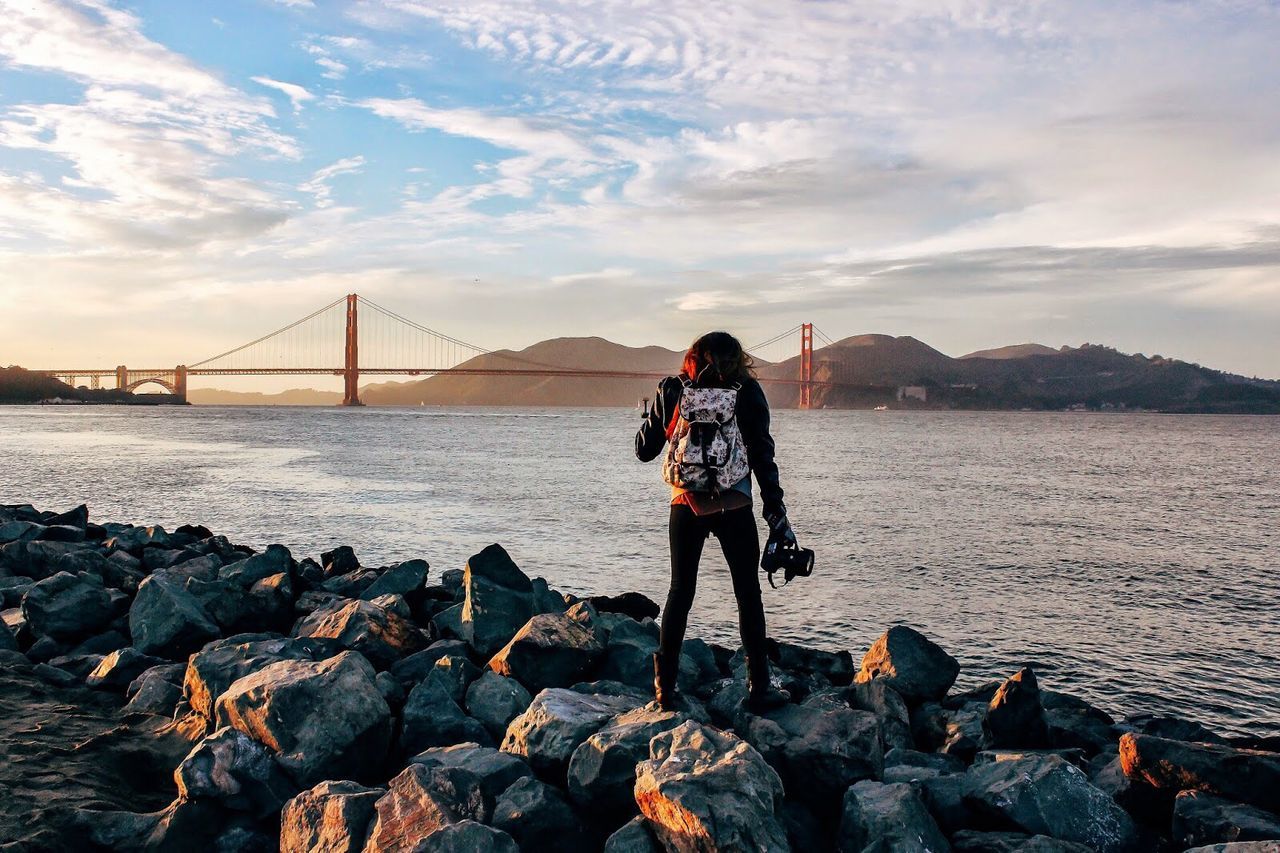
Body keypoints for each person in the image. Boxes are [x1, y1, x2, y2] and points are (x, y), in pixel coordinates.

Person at [634, 330, 794, 713]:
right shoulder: (748, 391)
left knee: (680, 592)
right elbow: (762, 457)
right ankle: (758, 689)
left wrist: (653, 414)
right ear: (739, 359)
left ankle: (665, 691)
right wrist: (776, 514)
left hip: (685, 503)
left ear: (692, 355)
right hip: (734, 504)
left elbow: (644, 451)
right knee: (747, 594)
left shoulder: (673, 389)